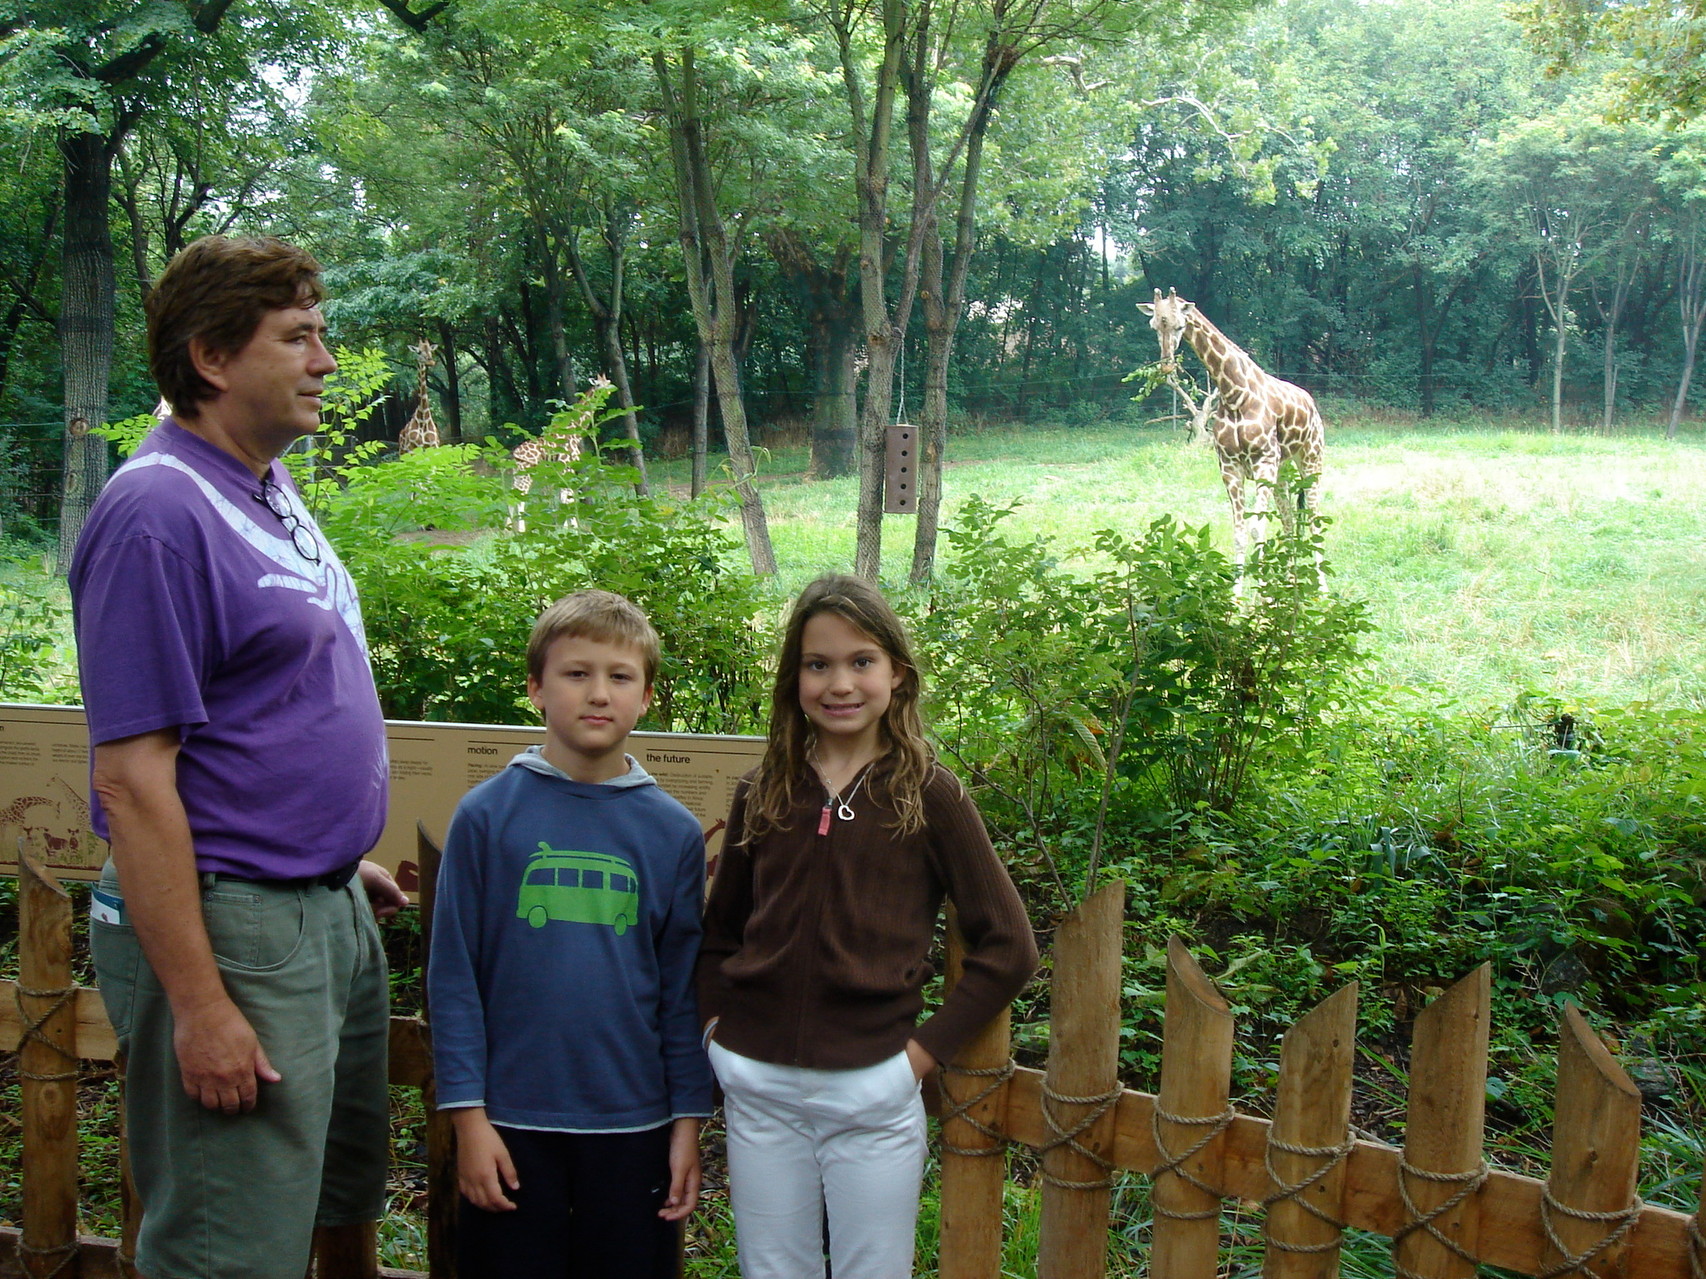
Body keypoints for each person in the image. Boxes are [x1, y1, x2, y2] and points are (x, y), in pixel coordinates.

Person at [70, 235, 408, 1279]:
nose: (327, 361)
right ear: (213, 357)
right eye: (298, 337)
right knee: (230, 1244)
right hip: (233, 929)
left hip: (309, 904)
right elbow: (133, 777)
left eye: (325, 334)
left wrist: (319, 852)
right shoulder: (156, 515)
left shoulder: (258, 481)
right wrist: (205, 1006)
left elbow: (257, 707)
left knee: (326, 1198)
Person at [697, 574, 1038, 1279]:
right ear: (795, 677)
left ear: (897, 675)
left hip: (872, 1089)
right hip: (758, 1086)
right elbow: (721, 932)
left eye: (861, 661)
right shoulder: (764, 788)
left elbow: (1010, 945)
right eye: (818, 664)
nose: (839, 683)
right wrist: (715, 1036)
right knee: (772, 1269)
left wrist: (915, 1059)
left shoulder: (928, 793)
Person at [428, 590, 713, 1279]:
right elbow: (455, 977)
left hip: (635, 1124)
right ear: (536, 688)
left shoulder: (672, 831)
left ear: (646, 696)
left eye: (619, 676)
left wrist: (687, 1122)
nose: (597, 693)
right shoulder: (486, 816)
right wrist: (468, 1119)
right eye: (575, 672)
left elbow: (682, 992)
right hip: (510, 1121)